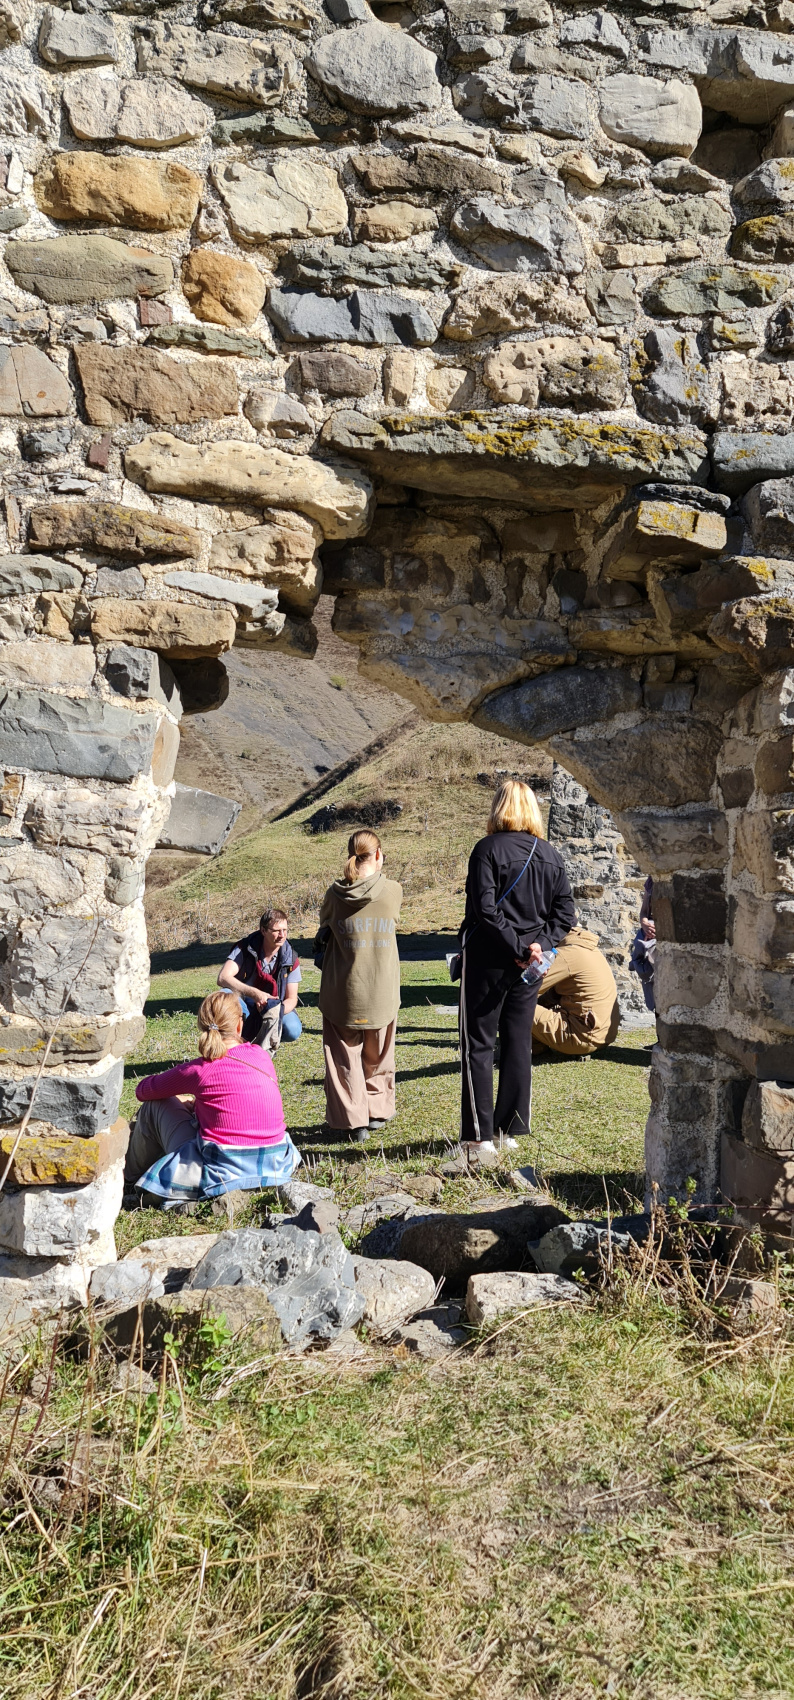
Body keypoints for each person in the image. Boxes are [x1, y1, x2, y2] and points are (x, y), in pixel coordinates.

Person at [459, 779, 576, 1155]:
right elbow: (565, 914)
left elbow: (485, 908)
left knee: (477, 1043)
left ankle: (478, 1136)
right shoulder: (551, 856)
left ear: (498, 807)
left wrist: (516, 946)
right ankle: (508, 1130)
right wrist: (538, 945)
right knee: (517, 1041)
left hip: (489, 959)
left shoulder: (486, 850)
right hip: (531, 965)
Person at [125, 990, 301, 1206]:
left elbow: (143, 1090)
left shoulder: (200, 1069)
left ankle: (130, 1180)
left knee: (154, 1105)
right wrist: (199, 1103)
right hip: (275, 1163)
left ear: (202, 1026)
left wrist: (180, 1095)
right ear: (239, 1025)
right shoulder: (261, 1056)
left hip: (222, 1167)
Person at [316, 828, 402, 1143]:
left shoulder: (333, 895)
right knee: (379, 1054)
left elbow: (324, 926)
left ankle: (353, 1121)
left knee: (343, 1058)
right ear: (377, 855)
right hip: (381, 990)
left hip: (343, 991)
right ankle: (378, 1110)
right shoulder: (393, 890)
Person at [217, 908, 302, 1050]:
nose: (282, 935)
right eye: (276, 931)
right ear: (263, 930)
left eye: (285, 930)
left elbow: (292, 999)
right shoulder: (245, 947)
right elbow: (223, 977)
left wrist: (275, 1010)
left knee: (293, 1029)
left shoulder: (291, 958)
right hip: (245, 1003)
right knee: (225, 995)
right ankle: (233, 1047)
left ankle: (266, 1045)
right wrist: (255, 994)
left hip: (274, 1005)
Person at [532, 926, 620, 1058]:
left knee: (514, 1002)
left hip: (582, 1037)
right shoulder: (587, 949)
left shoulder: (566, 954)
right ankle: (536, 1044)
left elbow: (524, 987)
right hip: (602, 1035)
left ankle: (530, 1048)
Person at [629, 876, 656, 1012]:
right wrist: (645, 923)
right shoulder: (651, 881)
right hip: (652, 943)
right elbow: (644, 912)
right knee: (652, 986)